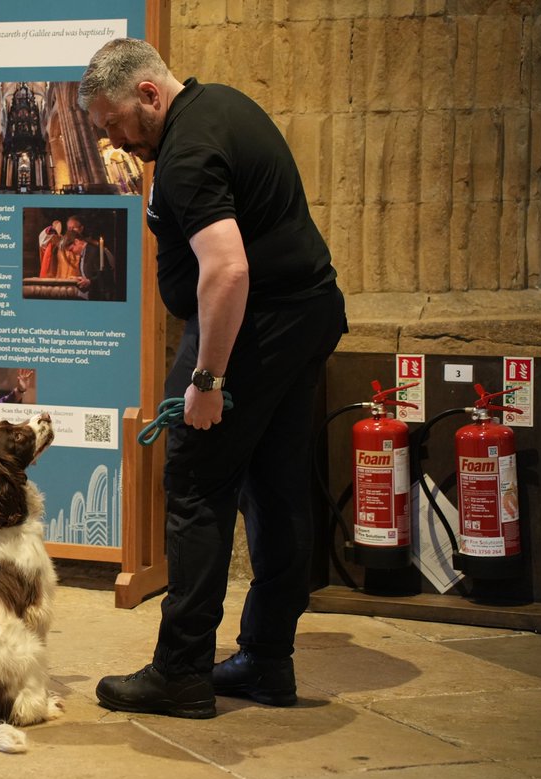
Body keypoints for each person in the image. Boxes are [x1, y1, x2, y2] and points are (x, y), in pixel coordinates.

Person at [77, 38, 347, 719]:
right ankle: (267, 660)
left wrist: (207, 379)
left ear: (148, 94)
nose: (114, 140)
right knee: (276, 485)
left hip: (254, 330)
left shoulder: (188, 151)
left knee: (196, 484)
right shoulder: (220, 105)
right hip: (301, 316)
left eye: (115, 123)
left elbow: (227, 271)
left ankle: (182, 672)